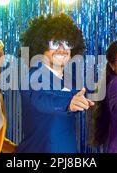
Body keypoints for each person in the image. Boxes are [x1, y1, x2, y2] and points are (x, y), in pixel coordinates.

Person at [16, 14, 93, 153]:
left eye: (67, 44)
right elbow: (41, 99)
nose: (62, 49)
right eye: (55, 43)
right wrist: (68, 102)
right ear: (40, 47)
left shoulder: (71, 82)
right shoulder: (34, 77)